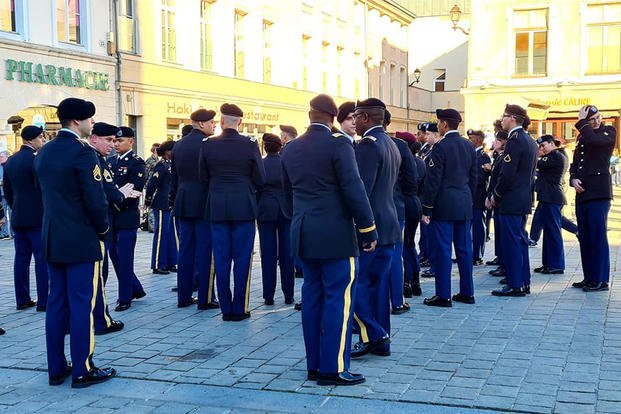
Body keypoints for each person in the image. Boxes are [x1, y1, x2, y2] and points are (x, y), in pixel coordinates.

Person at [281, 93, 377, 386]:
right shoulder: (339, 145)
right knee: (339, 300)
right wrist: (368, 229)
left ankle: (314, 365)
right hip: (335, 234)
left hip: (304, 232)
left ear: (310, 114)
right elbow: (353, 189)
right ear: (332, 117)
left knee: (312, 298)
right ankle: (333, 368)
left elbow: (287, 196)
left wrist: (300, 219)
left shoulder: (291, 148)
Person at [34, 97, 115, 388]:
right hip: (81, 238)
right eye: (90, 120)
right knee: (82, 304)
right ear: (78, 121)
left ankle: (56, 368)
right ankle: (83, 369)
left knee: (57, 303)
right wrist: (104, 229)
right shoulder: (82, 153)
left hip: (53, 237)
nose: (92, 124)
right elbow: (95, 200)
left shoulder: (44, 151)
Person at [199, 103, 265, 321]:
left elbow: (203, 176)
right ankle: (240, 308)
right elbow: (260, 177)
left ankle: (226, 309)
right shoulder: (249, 144)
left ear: (220, 122)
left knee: (221, 258)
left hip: (217, 207)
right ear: (240, 122)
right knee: (243, 258)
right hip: (244, 207)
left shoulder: (208, 144)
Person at [350, 98, 400, 358]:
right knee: (378, 286)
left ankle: (375, 334)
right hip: (389, 223)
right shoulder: (390, 143)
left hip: (372, 226)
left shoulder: (367, 146)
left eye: (356, 116)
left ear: (366, 118)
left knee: (356, 285)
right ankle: (381, 341)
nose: (354, 121)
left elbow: (363, 191)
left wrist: (360, 226)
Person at [421, 109, 477, 307]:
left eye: (438, 122)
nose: (437, 126)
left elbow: (433, 181)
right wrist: (468, 200)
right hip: (463, 203)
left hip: (444, 205)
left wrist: (427, 207)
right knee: (464, 250)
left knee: (443, 251)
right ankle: (467, 292)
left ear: (444, 124)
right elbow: (474, 178)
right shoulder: (468, 145)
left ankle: (443, 295)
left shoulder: (440, 147)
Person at [88, 122, 135, 335]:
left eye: (116, 140)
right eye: (109, 140)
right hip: (95, 228)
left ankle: (74, 321)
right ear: (93, 137)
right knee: (99, 275)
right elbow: (106, 194)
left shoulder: (48, 153)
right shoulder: (92, 158)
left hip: (60, 230)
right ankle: (101, 320)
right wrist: (121, 193)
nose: (113, 145)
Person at [170, 109, 219, 310]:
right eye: (211, 122)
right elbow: (211, 177)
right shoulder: (208, 145)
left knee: (185, 252)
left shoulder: (178, 145)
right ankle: (205, 298)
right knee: (205, 251)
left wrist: (174, 200)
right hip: (203, 204)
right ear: (200, 124)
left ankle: (183, 296)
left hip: (183, 202)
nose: (214, 125)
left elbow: (175, 178)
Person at [490, 104, 538, 297]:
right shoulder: (529, 139)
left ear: (513, 118)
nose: (502, 120)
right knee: (520, 242)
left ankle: (515, 284)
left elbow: (507, 174)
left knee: (512, 243)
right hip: (522, 198)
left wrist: (496, 195)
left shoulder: (515, 141)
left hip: (511, 199)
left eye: (504, 117)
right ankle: (523, 282)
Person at [2, 125, 48, 311]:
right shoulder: (36, 160)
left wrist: (15, 207)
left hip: (18, 215)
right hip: (37, 215)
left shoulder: (11, 161)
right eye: (40, 138)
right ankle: (44, 300)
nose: (42, 141)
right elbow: (42, 188)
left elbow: (7, 190)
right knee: (41, 258)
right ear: (32, 140)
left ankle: (22, 299)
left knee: (21, 258)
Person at [570, 105, 616, 292]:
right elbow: (575, 162)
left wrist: (582, 123)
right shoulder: (583, 136)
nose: (596, 121)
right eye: (592, 120)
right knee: (585, 237)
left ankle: (600, 280)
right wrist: (573, 178)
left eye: (598, 117)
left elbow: (595, 141)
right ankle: (589, 277)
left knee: (597, 237)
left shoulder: (608, 131)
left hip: (598, 193)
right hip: (583, 193)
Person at [108, 127, 147, 311]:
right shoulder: (110, 161)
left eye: (120, 141)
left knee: (124, 257)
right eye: (114, 141)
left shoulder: (136, 162)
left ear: (131, 141)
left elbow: (134, 190)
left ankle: (125, 297)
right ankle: (135, 288)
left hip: (126, 215)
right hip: (112, 216)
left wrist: (115, 198)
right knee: (114, 255)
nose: (115, 144)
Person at [385, 115, 417, 315]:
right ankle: (397, 301)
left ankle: (374, 303)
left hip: (372, 210)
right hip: (396, 207)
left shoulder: (363, 145)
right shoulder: (401, 146)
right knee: (396, 256)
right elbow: (411, 180)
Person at [257, 133, 294, 306]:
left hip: (265, 210)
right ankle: (288, 294)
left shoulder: (261, 164)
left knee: (268, 254)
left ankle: (268, 296)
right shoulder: (286, 163)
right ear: (280, 147)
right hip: (286, 210)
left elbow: (256, 186)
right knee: (287, 254)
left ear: (265, 147)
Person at [531, 135, 567, 275]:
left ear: (552, 144)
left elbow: (537, 164)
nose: (541, 149)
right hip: (547, 197)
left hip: (553, 198)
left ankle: (556, 265)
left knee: (553, 232)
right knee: (548, 231)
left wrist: (533, 151)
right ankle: (548, 264)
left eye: (543, 145)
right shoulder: (551, 156)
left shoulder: (556, 156)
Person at [397, 132, 424, 297]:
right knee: (411, 244)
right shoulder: (421, 162)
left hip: (404, 204)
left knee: (404, 245)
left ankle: (406, 282)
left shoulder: (403, 162)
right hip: (415, 203)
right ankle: (415, 281)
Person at [145, 140, 178, 275]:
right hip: (161, 202)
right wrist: (147, 200)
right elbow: (153, 183)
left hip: (170, 203)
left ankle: (170, 262)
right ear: (167, 152)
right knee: (161, 234)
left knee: (170, 234)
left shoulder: (172, 165)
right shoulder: (161, 165)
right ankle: (158, 264)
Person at [486, 131, 509, 278]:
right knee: (500, 234)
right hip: (496, 200)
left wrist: (494, 196)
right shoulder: (499, 157)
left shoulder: (503, 158)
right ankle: (501, 262)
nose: (494, 143)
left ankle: (504, 265)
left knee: (503, 235)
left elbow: (500, 179)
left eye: (497, 140)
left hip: (501, 201)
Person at [467, 129, 491, 266]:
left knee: (477, 227)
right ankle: (469, 253)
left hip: (478, 196)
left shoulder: (483, 157)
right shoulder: (470, 154)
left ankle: (477, 255)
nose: (469, 140)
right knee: (468, 227)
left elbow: (480, 179)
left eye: (471, 138)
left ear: (477, 140)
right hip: (469, 197)